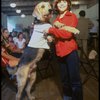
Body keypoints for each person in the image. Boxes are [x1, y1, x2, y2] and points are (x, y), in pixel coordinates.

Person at [43, 0, 83, 100]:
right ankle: (67, 97)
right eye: (59, 2)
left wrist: (50, 30)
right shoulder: (57, 19)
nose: (61, 4)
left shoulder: (71, 16)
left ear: (68, 4)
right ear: (56, 5)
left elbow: (67, 34)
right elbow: (58, 34)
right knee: (64, 79)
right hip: (59, 52)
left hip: (70, 51)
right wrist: (51, 37)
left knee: (75, 80)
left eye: (64, 1)